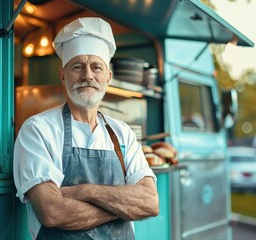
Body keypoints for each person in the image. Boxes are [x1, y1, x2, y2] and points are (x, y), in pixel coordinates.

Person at [13, 17, 159, 240]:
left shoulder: (123, 133)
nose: (87, 76)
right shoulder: (37, 130)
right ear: (63, 76)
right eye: (78, 67)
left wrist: (85, 191)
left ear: (107, 77)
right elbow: (52, 212)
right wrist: (121, 208)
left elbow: (149, 202)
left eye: (96, 67)